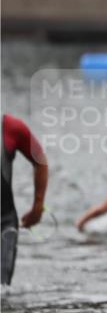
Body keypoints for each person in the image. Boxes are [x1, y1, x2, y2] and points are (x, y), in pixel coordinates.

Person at [2, 114, 48, 285]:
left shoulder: (11, 127)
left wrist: (38, 205)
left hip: (4, 224)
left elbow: (40, 159)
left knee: (2, 291)